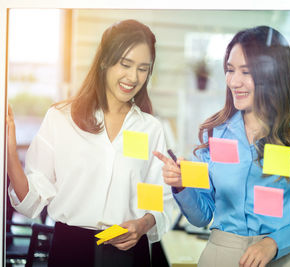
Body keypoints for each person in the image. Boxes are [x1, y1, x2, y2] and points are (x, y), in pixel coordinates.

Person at [154, 25, 290, 267]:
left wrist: (274, 243)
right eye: (230, 70)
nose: (233, 81)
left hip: (280, 258)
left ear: (272, 75)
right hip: (219, 257)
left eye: (246, 72)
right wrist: (181, 186)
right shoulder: (217, 133)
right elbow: (202, 216)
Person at [6, 19, 174, 267]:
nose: (133, 77)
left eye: (143, 68)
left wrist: (142, 224)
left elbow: (157, 200)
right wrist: (8, 151)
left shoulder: (150, 128)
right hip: (71, 250)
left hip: (129, 254)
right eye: (125, 64)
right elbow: (31, 200)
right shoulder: (61, 118)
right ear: (104, 61)